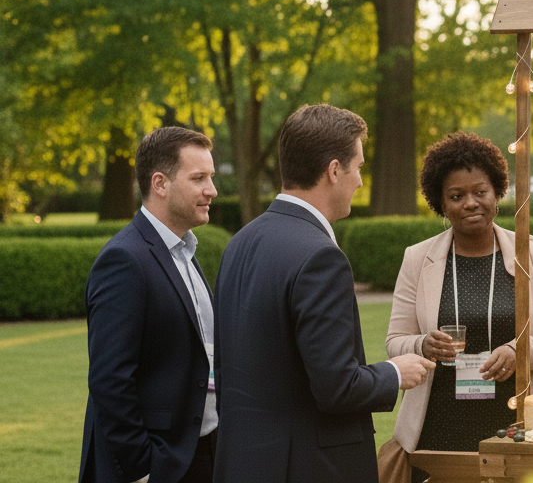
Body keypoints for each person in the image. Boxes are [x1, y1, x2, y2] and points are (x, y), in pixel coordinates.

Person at [213, 105, 432, 483]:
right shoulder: (320, 257)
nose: (361, 181)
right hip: (307, 466)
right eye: (359, 167)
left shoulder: (240, 242)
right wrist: (395, 373)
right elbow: (337, 388)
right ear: (334, 171)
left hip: (243, 463)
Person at [385, 132, 533, 479]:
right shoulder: (417, 259)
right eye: (457, 196)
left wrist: (519, 351)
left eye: (480, 192)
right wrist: (421, 344)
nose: (470, 203)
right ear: (441, 203)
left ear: (497, 193)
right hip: (438, 423)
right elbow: (395, 340)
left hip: (516, 422)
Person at [80, 128, 220, 483]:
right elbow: (110, 380)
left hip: (198, 454)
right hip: (157, 464)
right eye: (199, 178)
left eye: (212, 177)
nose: (212, 190)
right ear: (160, 183)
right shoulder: (124, 259)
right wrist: (142, 469)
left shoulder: (186, 252)